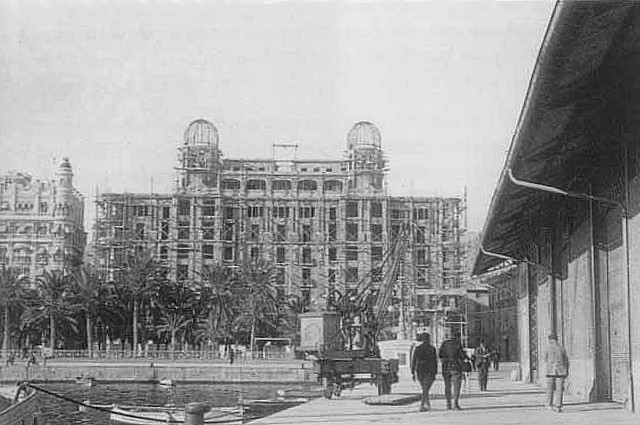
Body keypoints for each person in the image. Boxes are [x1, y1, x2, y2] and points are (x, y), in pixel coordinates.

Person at [439, 330, 468, 410]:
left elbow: (440, 355)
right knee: (456, 386)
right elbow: (462, 356)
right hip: (455, 367)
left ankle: (448, 404)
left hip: (445, 367)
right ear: (458, 337)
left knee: (447, 386)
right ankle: (455, 404)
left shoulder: (444, 343)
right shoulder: (458, 344)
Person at [411, 332, 437, 412]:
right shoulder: (432, 348)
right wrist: (435, 371)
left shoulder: (418, 348)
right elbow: (434, 361)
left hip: (420, 369)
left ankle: (426, 404)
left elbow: (414, 360)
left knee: (424, 388)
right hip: (429, 369)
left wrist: (413, 371)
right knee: (425, 389)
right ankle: (423, 405)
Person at [544, 333, 569, 413]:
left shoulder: (548, 348)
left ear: (550, 340)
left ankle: (549, 404)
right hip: (560, 371)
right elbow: (566, 361)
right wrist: (566, 371)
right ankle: (558, 406)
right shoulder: (561, 348)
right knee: (559, 389)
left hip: (550, 370)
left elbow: (545, 358)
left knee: (550, 388)